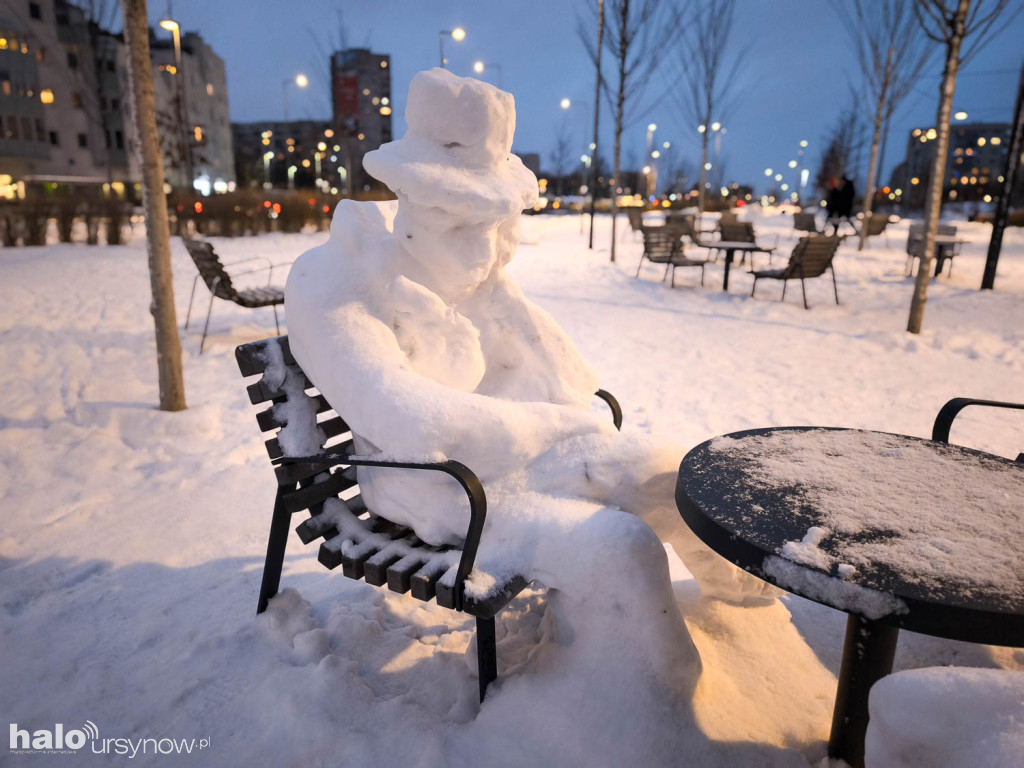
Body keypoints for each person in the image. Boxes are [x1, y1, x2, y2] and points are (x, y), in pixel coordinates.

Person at [285, 68, 775, 634]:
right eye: (464, 220)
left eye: (498, 222)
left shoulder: (482, 279)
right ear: (411, 196)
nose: (489, 248)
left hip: (524, 462)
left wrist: (525, 345)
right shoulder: (343, 279)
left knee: (672, 477)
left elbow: (570, 381)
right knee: (619, 549)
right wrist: (565, 428)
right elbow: (413, 425)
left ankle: (751, 636)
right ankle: (617, 702)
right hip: (438, 485)